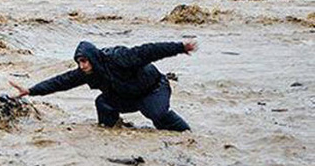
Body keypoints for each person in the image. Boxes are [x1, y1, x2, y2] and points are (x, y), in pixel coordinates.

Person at [10, 40, 197, 132]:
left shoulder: (119, 57)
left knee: (156, 114)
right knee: (103, 102)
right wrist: (31, 90)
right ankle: (113, 130)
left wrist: (180, 47)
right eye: (79, 62)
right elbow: (61, 81)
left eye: (84, 61)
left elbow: (149, 51)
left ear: (92, 58)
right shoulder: (87, 72)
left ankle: (186, 135)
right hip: (127, 96)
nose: (82, 66)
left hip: (153, 89)